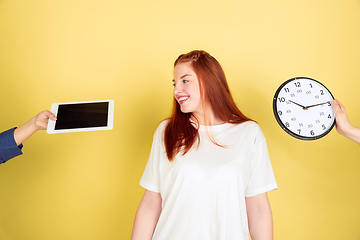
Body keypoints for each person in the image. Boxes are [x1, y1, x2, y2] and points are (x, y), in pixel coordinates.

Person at [131, 50, 277, 240]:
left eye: (185, 80)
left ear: (210, 81)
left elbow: (257, 207)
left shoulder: (249, 133)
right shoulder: (167, 131)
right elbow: (151, 203)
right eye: (175, 84)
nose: (176, 90)